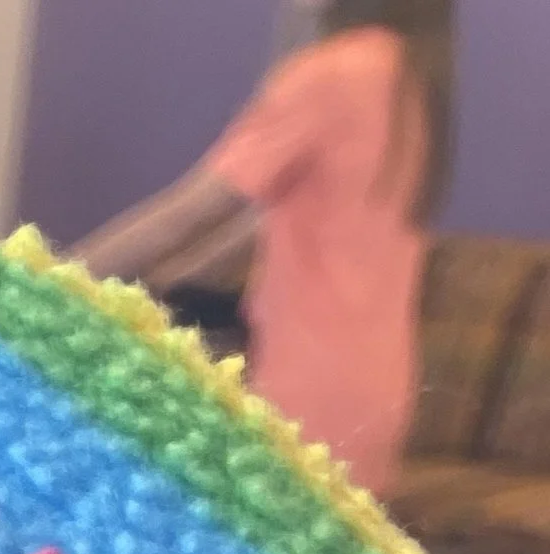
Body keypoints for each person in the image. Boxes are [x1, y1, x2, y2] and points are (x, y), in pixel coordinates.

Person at [77, 0, 455, 499]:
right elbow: (266, 221)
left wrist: (48, 272)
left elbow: (192, 210)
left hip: (304, 389)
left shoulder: (331, 73)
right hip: (378, 387)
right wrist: (169, 281)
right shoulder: (409, 77)